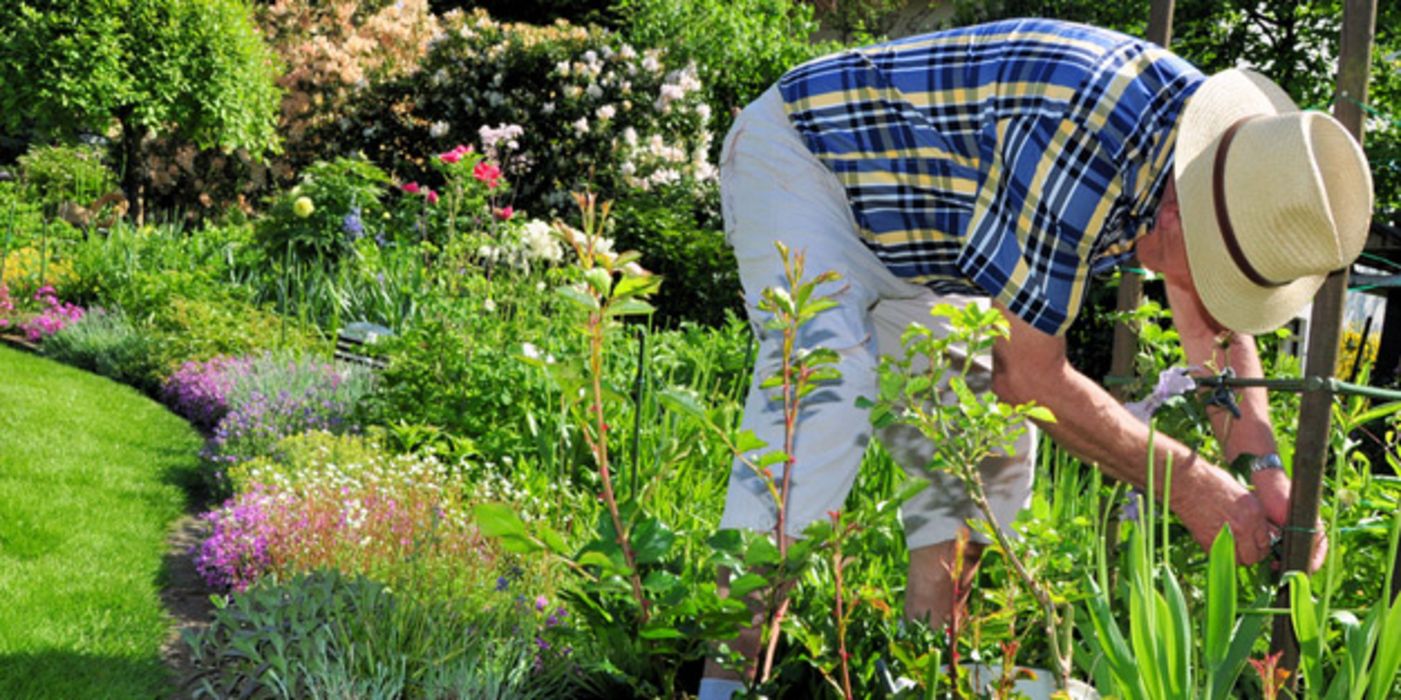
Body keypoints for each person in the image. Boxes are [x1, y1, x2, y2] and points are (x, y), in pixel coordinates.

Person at [698, 16, 1371, 699]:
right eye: (1212, 271)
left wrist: (1264, 473)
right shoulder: (1085, 134)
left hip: (921, 247)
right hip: (809, 164)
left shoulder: (1230, 167)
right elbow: (1024, 376)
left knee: (988, 451)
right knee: (822, 405)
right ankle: (723, 686)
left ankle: (922, 673)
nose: (1205, 293)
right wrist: (1193, 489)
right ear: (1179, 214)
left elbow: (1214, 337)